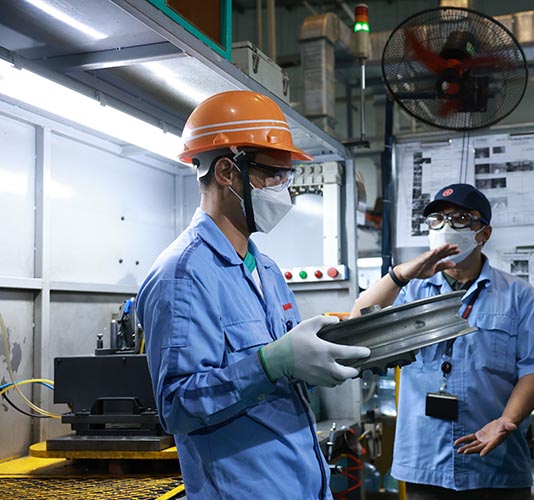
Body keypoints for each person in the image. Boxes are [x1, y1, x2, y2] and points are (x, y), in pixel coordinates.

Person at [136, 90, 370, 500]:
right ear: (227, 172)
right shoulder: (182, 275)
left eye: (287, 177)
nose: (284, 191)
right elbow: (176, 406)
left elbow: (285, 375)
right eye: (273, 175)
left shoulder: (266, 270)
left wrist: (333, 356)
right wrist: (270, 363)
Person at [352, 183, 534, 500]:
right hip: (425, 461)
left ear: (484, 233)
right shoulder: (410, 291)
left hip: (495, 462)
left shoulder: (517, 295)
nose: (446, 227)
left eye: (461, 218)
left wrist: (506, 421)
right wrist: (401, 274)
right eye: (438, 219)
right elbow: (357, 324)